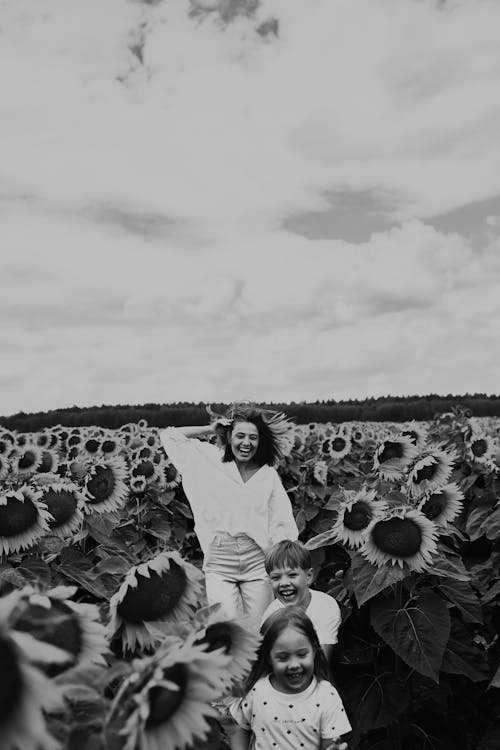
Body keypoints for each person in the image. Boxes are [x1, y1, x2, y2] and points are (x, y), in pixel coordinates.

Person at [159, 403, 298, 628]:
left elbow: (281, 521)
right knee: (227, 630)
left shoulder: (267, 475)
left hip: (257, 562)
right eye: (240, 435)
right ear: (229, 437)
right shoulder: (208, 460)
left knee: (259, 629)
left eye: (253, 437)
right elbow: (170, 436)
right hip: (219, 563)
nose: (246, 443)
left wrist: (283, 565)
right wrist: (211, 428)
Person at [228, 607, 351, 750]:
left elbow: (330, 743)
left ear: (315, 650)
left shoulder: (326, 696)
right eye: (283, 657)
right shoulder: (257, 692)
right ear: (268, 657)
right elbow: (238, 724)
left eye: (302, 654)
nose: (293, 665)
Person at [260, 539, 341, 665]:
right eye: (276, 577)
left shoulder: (325, 606)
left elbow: (321, 662)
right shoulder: (271, 614)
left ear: (308, 577)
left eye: (292, 575)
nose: (284, 583)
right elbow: (267, 662)